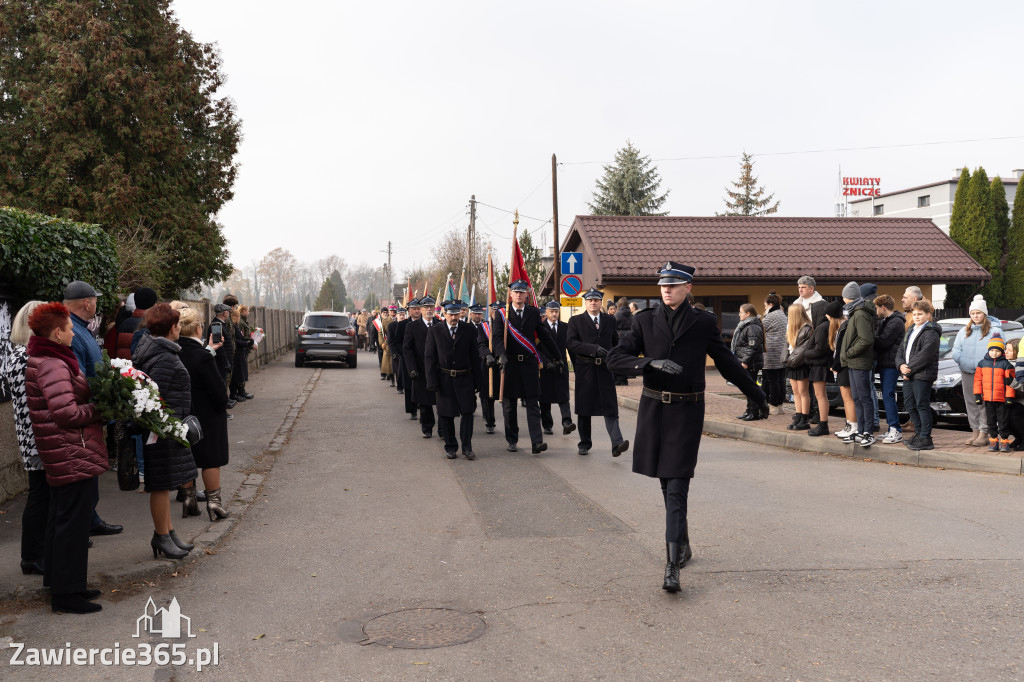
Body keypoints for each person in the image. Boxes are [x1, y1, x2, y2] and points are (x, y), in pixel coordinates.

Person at [608, 262, 767, 593]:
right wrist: (648, 363)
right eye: (663, 285)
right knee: (666, 483)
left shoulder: (703, 322)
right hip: (654, 408)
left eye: (673, 285)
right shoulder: (644, 320)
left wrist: (757, 394)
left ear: (688, 288)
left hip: (687, 410)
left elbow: (726, 362)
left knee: (677, 482)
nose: (666, 289)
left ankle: (671, 565)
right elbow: (615, 358)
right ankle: (683, 540)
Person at [24, 302, 108, 614]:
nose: (74, 332)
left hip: (65, 451)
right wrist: (99, 409)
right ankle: (65, 595)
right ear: (57, 332)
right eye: (70, 328)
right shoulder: (53, 364)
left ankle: (65, 584)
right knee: (71, 524)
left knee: (63, 519)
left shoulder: (50, 358)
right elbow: (65, 412)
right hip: (70, 450)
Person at [132, 303, 198, 560]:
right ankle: (161, 535)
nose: (181, 328)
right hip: (161, 429)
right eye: (179, 324)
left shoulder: (161, 350)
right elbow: (154, 396)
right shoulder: (164, 355)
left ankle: (168, 532)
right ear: (171, 328)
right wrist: (166, 425)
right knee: (160, 485)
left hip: (168, 427)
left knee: (167, 482)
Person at [63, 281, 122, 538]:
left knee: (91, 469)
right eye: (95, 300)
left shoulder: (80, 328)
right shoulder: (70, 331)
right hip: (84, 412)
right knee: (83, 472)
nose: (97, 304)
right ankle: (82, 527)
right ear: (86, 303)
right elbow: (77, 376)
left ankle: (90, 519)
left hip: (91, 410)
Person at [490, 280, 561, 454]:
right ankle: (512, 439)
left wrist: (557, 355)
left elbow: (543, 335)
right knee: (510, 405)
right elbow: (497, 337)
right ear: (511, 295)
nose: (519, 295)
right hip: (510, 363)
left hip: (529, 364)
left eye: (522, 292)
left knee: (532, 404)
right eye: (516, 292)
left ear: (526, 294)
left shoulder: (533, 312)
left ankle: (537, 442)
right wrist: (501, 355)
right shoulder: (502, 314)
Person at [3, 301, 47, 576]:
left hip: (34, 434)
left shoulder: (21, 355)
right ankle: (31, 556)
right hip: (36, 436)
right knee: (40, 496)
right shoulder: (24, 357)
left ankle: (35, 553)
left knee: (41, 495)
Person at [176, 308, 231, 519]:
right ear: (199, 328)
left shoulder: (174, 352)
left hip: (183, 413)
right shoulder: (202, 357)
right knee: (210, 459)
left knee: (186, 456)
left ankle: (189, 501)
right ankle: (214, 504)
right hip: (207, 415)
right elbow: (218, 391)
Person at [567, 289, 626, 456]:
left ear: (601, 303)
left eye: (596, 300)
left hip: (605, 370)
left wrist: (617, 358)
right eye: (590, 300)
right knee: (585, 408)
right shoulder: (576, 320)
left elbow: (616, 343)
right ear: (585, 303)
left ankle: (617, 443)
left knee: (610, 407)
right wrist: (593, 349)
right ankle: (584, 443)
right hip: (586, 370)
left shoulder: (609, 320)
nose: (593, 303)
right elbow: (570, 342)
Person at [424, 300, 481, 459]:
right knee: (446, 414)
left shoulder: (469, 330)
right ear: (444, 314)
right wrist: (432, 381)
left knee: (468, 413)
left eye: (456, 314)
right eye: (450, 314)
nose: (454, 317)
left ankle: (467, 447)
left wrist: (478, 381)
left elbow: (475, 356)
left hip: (465, 378)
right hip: (444, 379)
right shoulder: (435, 331)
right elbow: (429, 358)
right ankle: (450, 446)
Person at [952, 295, 1004, 447]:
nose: (975, 316)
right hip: (967, 371)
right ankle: (974, 431)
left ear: (984, 314)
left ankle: (984, 433)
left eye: (978, 313)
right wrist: (960, 359)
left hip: (987, 373)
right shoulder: (964, 331)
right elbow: (956, 348)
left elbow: (1000, 349)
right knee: (970, 402)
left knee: (983, 403)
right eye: (973, 313)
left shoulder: (994, 331)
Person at [896, 300, 941, 451]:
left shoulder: (931, 332)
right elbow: (901, 351)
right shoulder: (910, 330)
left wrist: (909, 369)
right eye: (914, 314)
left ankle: (926, 438)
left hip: (922, 374)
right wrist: (901, 365)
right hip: (909, 373)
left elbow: (925, 355)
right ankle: (919, 433)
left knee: (922, 405)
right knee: (910, 405)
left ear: (928, 315)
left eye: (920, 314)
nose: (916, 317)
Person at [839, 281, 877, 447]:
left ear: (849, 297)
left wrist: (849, 353)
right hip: (854, 362)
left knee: (864, 398)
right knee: (857, 398)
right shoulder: (855, 312)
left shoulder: (860, 313)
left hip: (860, 362)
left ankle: (867, 431)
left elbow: (866, 339)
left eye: (844, 296)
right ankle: (860, 430)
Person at [539, 301, 576, 437]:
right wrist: (545, 361)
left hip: (561, 366)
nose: (554, 314)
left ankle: (567, 423)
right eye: (551, 311)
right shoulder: (540, 327)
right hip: (545, 367)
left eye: (556, 311)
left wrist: (576, 366)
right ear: (546, 312)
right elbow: (536, 348)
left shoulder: (565, 327)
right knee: (544, 398)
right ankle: (547, 425)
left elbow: (571, 347)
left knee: (563, 396)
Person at [874, 295, 906, 444]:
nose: (876, 311)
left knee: (888, 395)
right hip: (885, 363)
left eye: (876, 308)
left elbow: (883, 341)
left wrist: (872, 337)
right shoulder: (886, 321)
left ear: (883, 307)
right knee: (887, 395)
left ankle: (895, 429)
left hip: (891, 365)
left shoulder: (896, 322)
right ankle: (890, 428)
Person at [973, 337, 1015, 452]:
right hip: (988, 399)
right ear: (988, 350)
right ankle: (993, 440)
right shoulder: (982, 364)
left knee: (1003, 421)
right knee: (990, 421)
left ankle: (1004, 441)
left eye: (997, 351)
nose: (994, 353)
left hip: (1002, 399)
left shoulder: (1006, 364)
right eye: (992, 350)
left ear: (1002, 351)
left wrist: (1009, 397)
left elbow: (1010, 383)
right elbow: (977, 381)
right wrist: (977, 395)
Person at [404, 296, 438, 438]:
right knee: (425, 402)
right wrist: (411, 368)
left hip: (438, 369)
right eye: (425, 307)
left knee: (442, 400)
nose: (429, 309)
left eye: (431, 306)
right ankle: (427, 427)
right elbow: (407, 349)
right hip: (421, 369)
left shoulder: (441, 324)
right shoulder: (412, 327)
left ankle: (443, 428)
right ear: (421, 309)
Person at [826, 301, 857, 439]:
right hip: (843, 366)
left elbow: (840, 351)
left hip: (844, 366)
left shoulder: (842, 328)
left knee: (848, 399)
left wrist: (835, 366)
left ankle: (852, 425)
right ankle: (849, 424)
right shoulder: (842, 327)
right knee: (847, 399)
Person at [801, 299, 832, 435]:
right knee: (821, 395)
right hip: (821, 364)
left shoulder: (821, 327)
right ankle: (822, 423)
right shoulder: (827, 325)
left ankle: (823, 424)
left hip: (819, 365)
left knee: (820, 396)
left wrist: (806, 353)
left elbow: (819, 349)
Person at [731, 303, 766, 422]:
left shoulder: (752, 327)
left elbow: (753, 347)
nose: (739, 314)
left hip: (751, 364)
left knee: (750, 388)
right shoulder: (746, 325)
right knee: (747, 388)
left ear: (748, 314)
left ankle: (754, 412)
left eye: (741, 312)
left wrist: (745, 362)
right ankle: (749, 410)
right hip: (746, 362)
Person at [784, 304, 813, 431]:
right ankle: (799, 415)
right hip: (792, 362)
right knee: (795, 391)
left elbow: (803, 349)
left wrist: (790, 360)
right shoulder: (792, 328)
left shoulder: (808, 328)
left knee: (803, 392)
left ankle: (804, 418)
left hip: (801, 363)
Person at [476, 301, 502, 435]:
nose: (496, 313)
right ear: (491, 312)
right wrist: (487, 355)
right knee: (488, 395)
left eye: (499, 310)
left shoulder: (508, 326)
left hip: (503, 363)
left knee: (506, 396)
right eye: (494, 310)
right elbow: (481, 343)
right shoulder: (484, 326)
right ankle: (490, 422)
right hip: (489, 364)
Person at [761, 291, 788, 415]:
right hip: (781, 351)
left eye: (765, 305)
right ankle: (780, 404)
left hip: (771, 352)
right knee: (780, 378)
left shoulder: (771, 316)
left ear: (770, 304)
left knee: (771, 380)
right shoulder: (782, 314)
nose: (764, 308)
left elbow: (761, 329)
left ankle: (773, 404)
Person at [112, 286, 157, 360]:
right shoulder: (149, 325)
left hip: (124, 368)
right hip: (138, 369)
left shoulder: (123, 323)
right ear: (151, 304)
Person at [1004, 340, 1024, 450]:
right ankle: (1018, 437)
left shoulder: (1020, 366)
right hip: (1008, 399)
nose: (1006, 352)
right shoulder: (1003, 364)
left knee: (1014, 415)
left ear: (1017, 352)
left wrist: (1012, 383)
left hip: (1021, 400)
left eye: (1010, 350)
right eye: (1005, 349)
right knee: (1003, 416)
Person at [613, 296, 632, 386]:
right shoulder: (632, 315)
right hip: (629, 339)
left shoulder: (616, 315)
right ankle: (624, 379)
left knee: (618, 359)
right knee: (626, 359)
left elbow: (613, 328)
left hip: (619, 338)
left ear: (619, 304)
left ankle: (618, 380)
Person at [387, 307, 407, 393]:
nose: (402, 317)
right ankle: (400, 387)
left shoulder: (408, 324)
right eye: (400, 315)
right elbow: (390, 341)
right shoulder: (391, 325)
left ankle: (407, 386)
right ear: (396, 315)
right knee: (399, 370)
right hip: (397, 351)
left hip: (406, 350)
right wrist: (393, 353)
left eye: (403, 315)